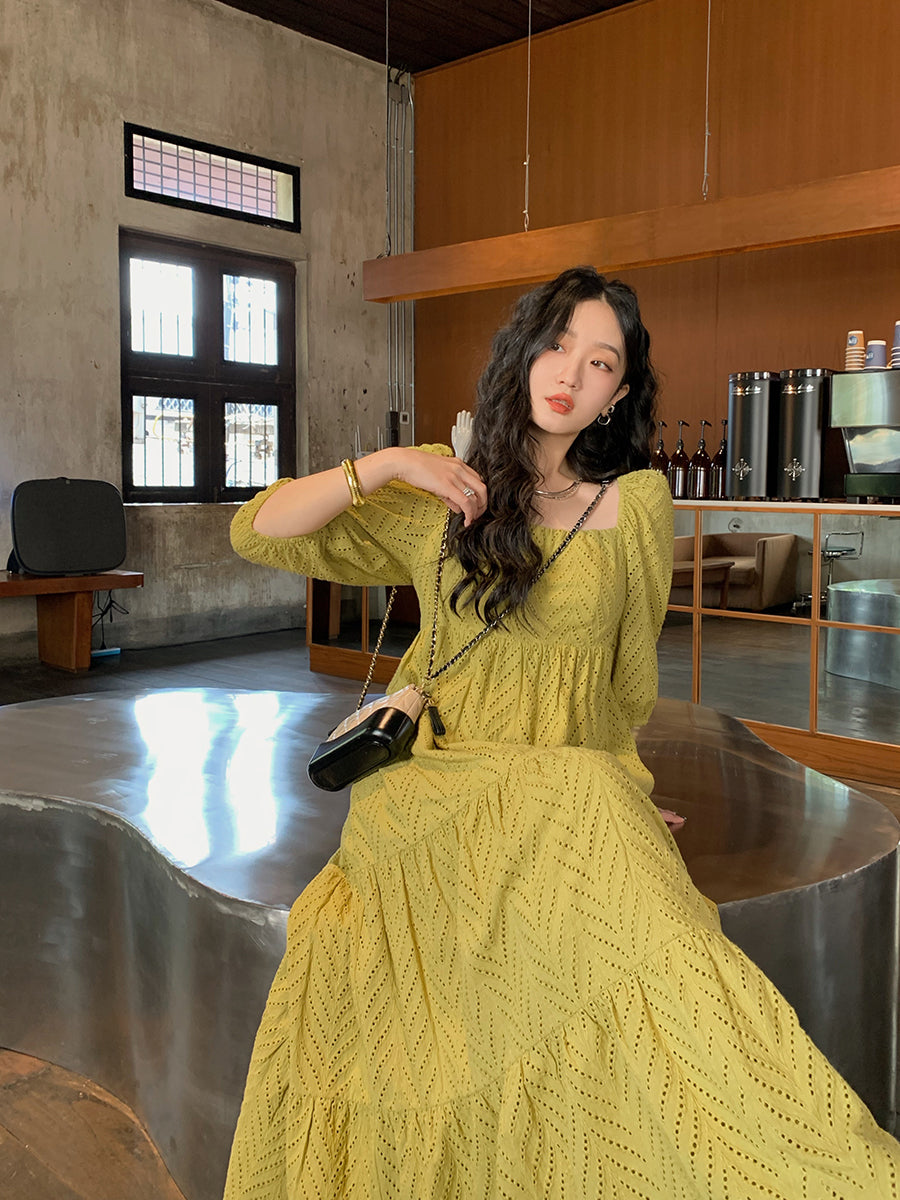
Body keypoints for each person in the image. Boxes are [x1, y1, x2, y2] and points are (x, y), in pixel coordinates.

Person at [224, 266, 899, 1198]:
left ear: (617, 394)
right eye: (556, 345)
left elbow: (624, 687)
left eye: (600, 362)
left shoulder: (636, 506)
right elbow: (258, 531)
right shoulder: (445, 487)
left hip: (566, 783)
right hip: (434, 780)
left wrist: (626, 792)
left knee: (666, 967)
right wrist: (387, 466)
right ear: (523, 353)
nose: (570, 374)